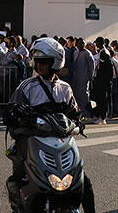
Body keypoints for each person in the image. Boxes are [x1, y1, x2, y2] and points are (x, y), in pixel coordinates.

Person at [6, 38, 95, 213]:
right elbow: (10, 111)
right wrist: (15, 113)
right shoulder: (27, 86)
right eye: (37, 61)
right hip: (34, 139)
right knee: (21, 167)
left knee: (85, 182)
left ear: (55, 63)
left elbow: (74, 113)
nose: (39, 65)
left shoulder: (65, 88)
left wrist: (79, 122)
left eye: (44, 62)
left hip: (61, 144)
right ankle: (15, 190)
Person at [71, 39, 95, 119]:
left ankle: (86, 114)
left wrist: (90, 78)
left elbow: (91, 67)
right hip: (76, 79)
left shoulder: (87, 53)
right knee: (77, 96)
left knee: (84, 96)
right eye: (79, 44)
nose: (81, 45)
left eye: (82, 44)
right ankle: (79, 113)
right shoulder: (76, 52)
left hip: (84, 79)